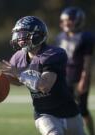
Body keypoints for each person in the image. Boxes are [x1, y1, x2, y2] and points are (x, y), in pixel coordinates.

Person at [0, 16, 86, 135]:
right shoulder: (18, 57)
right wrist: (2, 79)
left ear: (37, 35)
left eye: (24, 34)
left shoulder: (53, 54)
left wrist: (18, 73)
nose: (20, 39)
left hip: (69, 112)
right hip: (44, 113)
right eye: (18, 35)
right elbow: (19, 81)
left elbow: (45, 86)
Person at [55, 7, 94, 135]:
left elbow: (87, 61)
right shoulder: (60, 37)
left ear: (77, 21)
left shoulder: (85, 37)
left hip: (78, 77)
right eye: (64, 20)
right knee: (64, 108)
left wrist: (84, 78)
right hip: (64, 77)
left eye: (69, 20)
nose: (65, 23)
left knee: (82, 109)